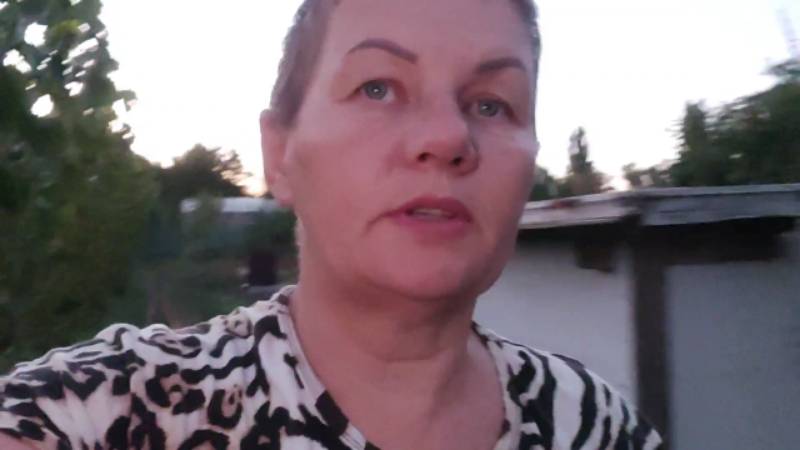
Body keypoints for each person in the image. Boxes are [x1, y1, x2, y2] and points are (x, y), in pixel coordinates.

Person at [0, 0, 663, 448]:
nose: (447, 137)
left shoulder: (595, 426)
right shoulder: (111, 413)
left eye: (492, 104)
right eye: (378, 87)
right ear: (280, 154)